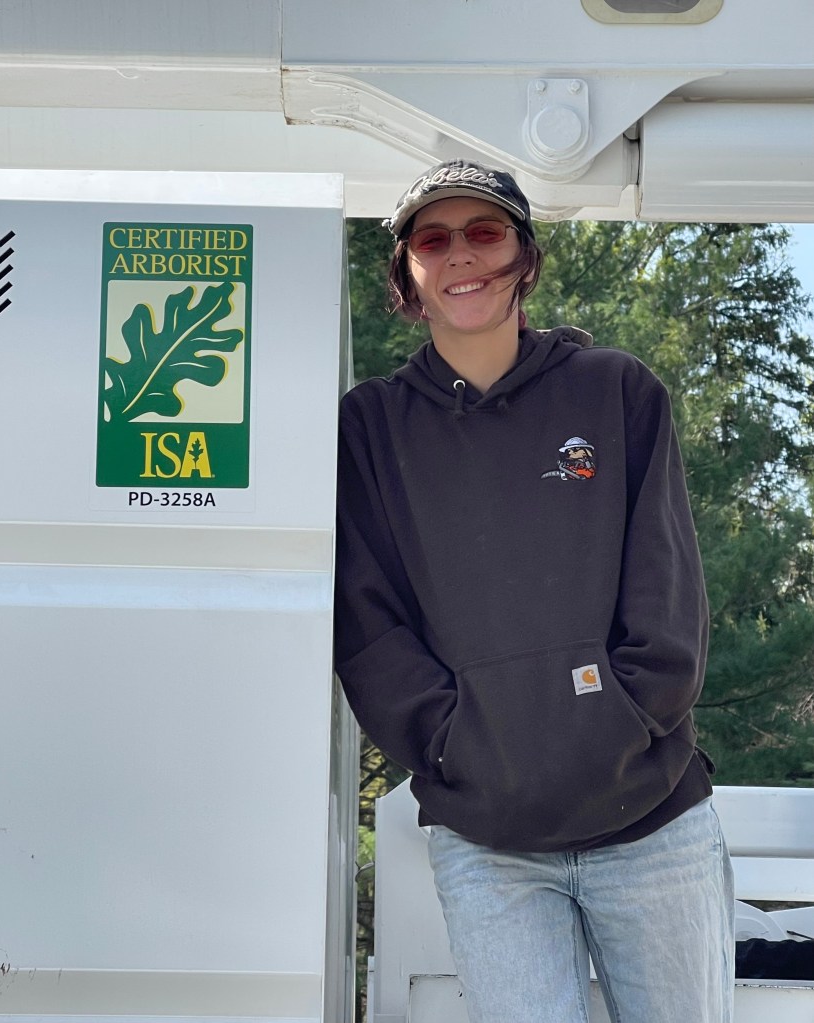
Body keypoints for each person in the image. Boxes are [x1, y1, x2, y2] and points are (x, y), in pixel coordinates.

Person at [334, 158, 734, 1022]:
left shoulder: (617, 391)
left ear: (525, 255)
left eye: (485, 231)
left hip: (652, 821)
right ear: (405, 270)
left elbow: (668, 604)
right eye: (432, 239)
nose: (460, 256)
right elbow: (368, 628)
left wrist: (618, 725)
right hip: (488, 841)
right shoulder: (367, 428)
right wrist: (451, 744)